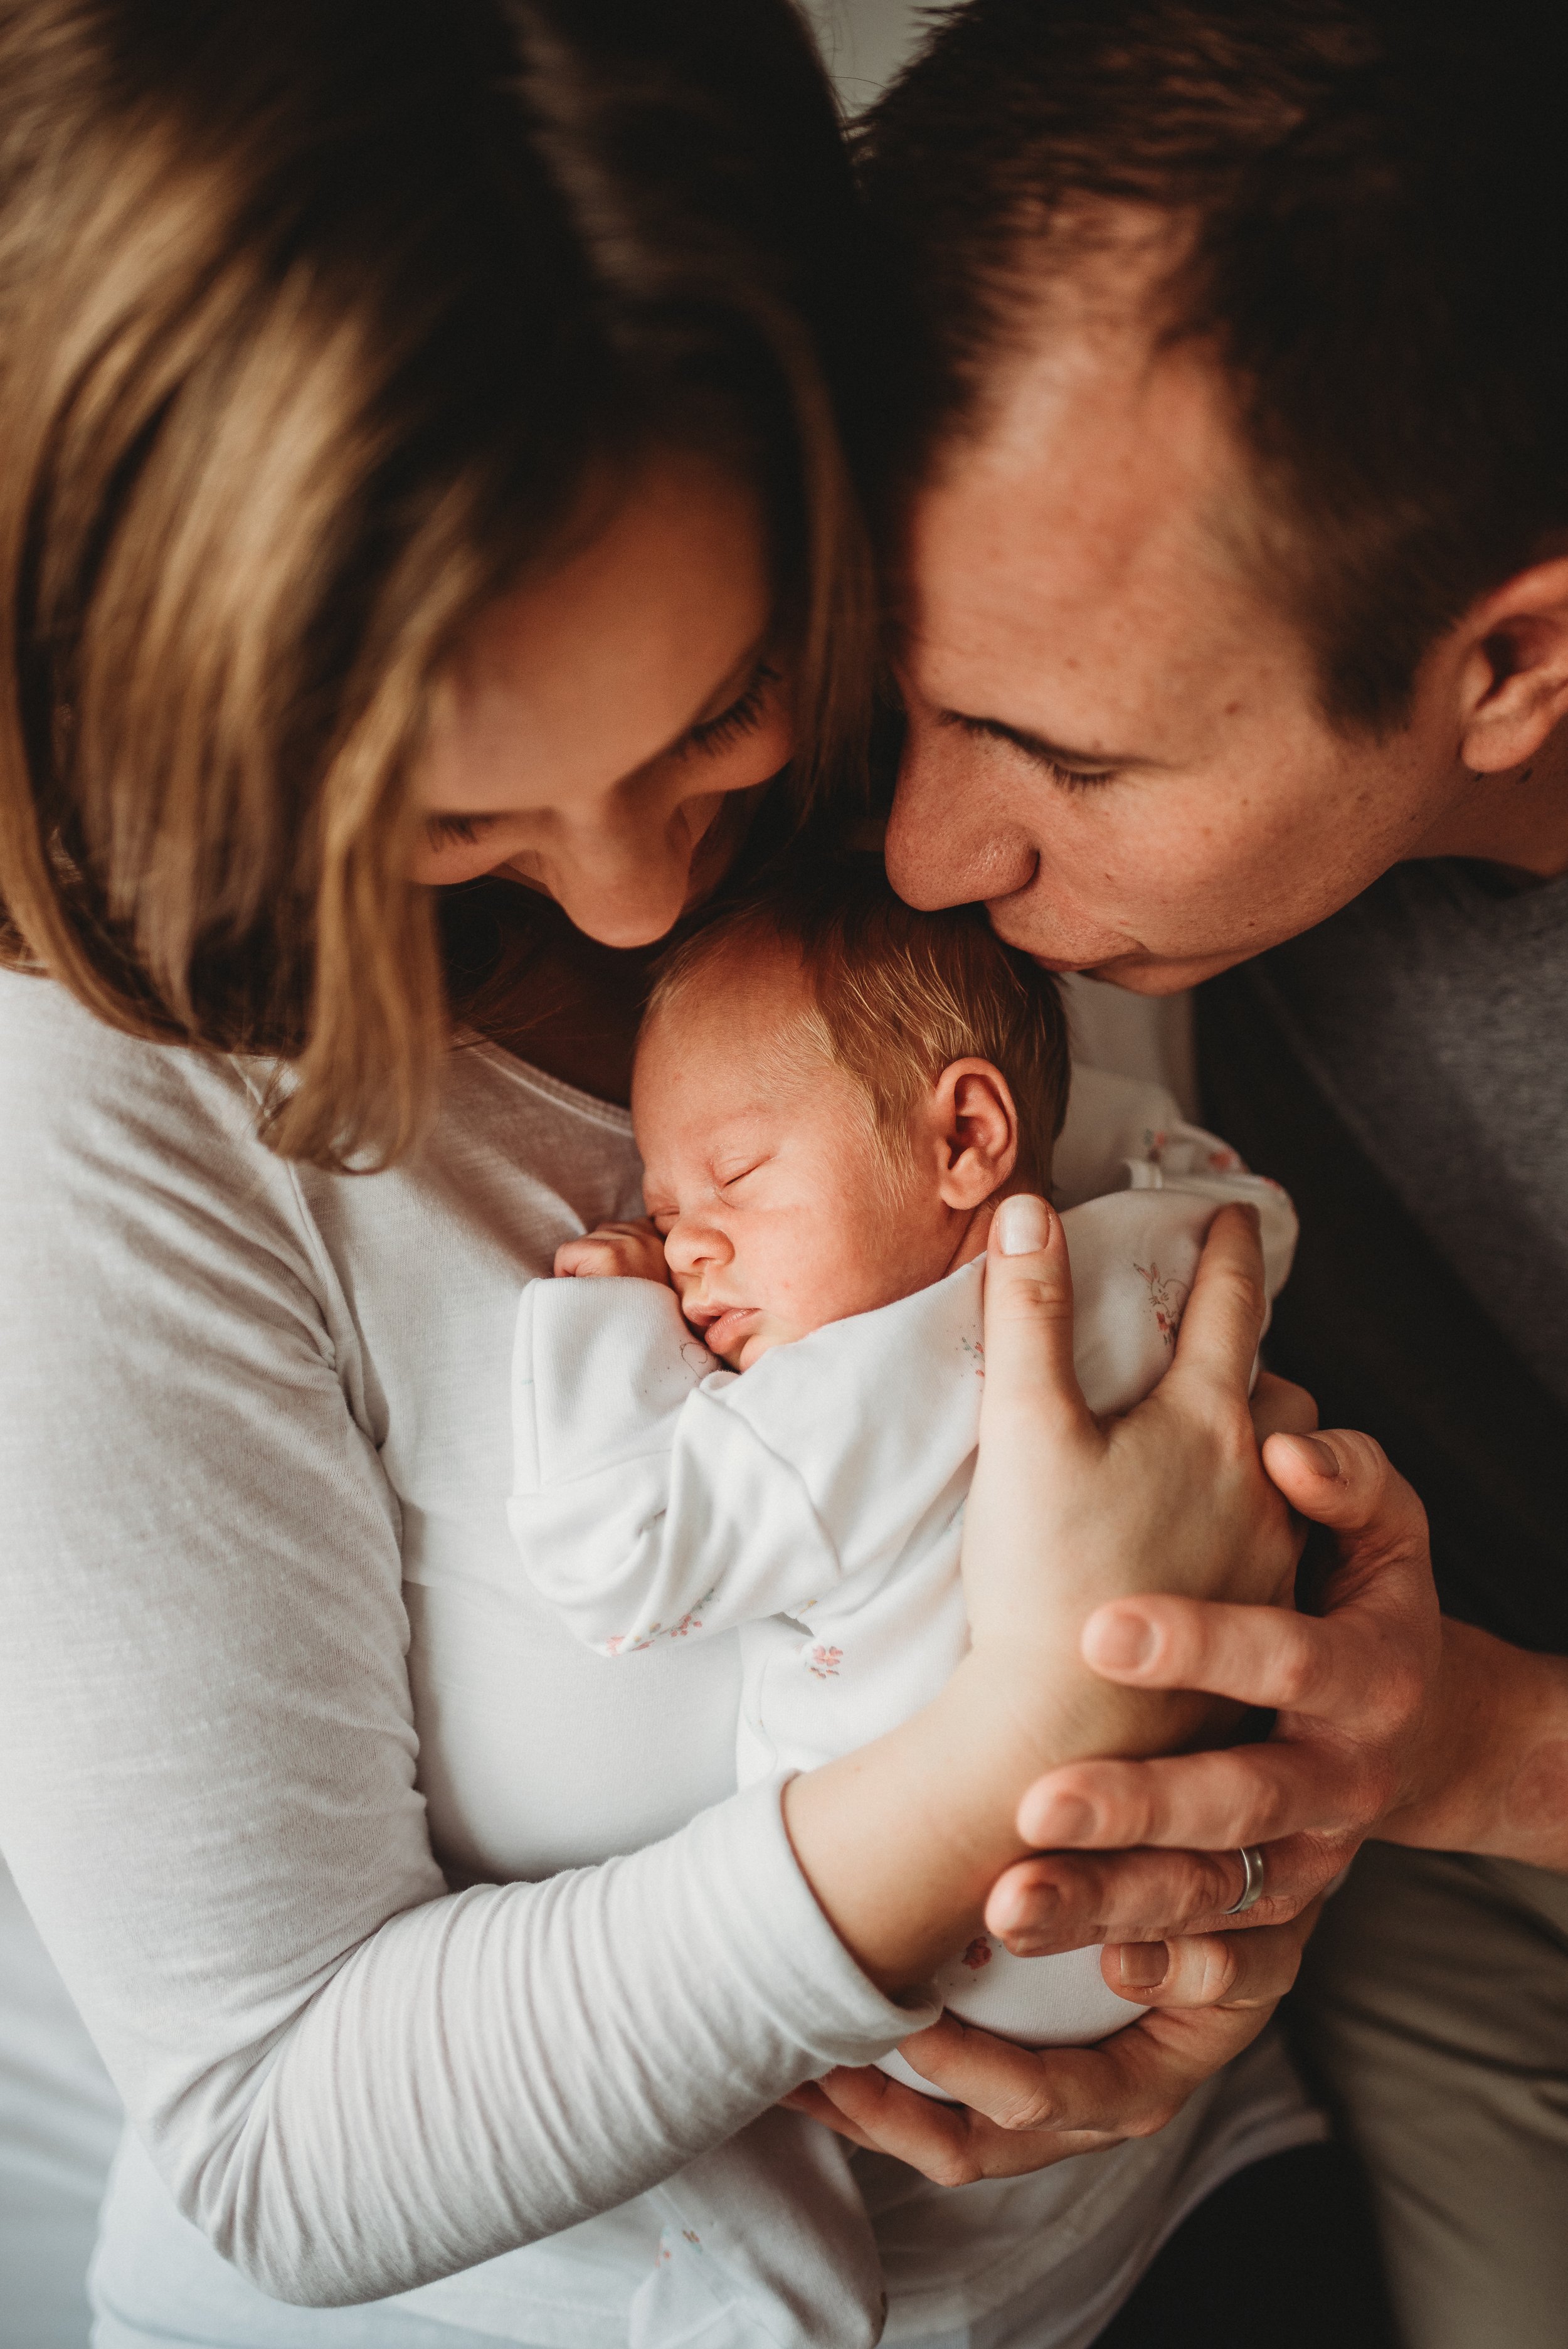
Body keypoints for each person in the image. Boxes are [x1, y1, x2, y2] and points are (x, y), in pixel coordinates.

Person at [0, 6, 1349, 2348]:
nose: (639, 906)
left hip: (1141, 2232)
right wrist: (992, 1764)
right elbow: (276, 2141)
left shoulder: (938, 724)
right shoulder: (107, 1120)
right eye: (453, 822)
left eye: (722, 708)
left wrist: (1227, 1878)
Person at [837, 5, 1568, 2344]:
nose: (924, 854)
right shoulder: (1084, 762)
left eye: (1052, 753)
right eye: (898, 701)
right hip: (1433, 1861)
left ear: (1515, 660)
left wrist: (1460, 1741)